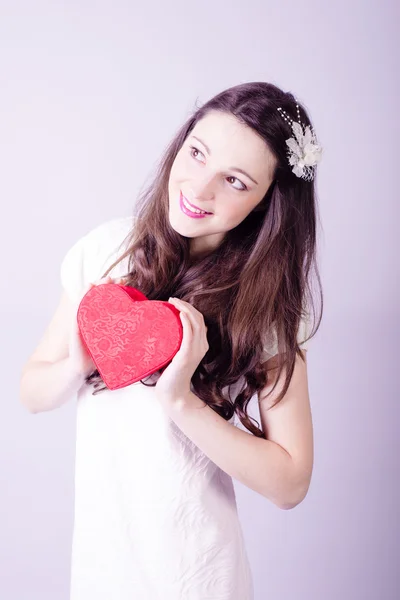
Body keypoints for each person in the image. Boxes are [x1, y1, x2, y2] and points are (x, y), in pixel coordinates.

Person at [20, 81, 323, 600]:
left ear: (267, 202)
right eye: (197, 153)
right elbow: (32, 391)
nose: (199, 188)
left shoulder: (265, 309)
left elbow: (291, 482)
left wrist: (182, 401)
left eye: (234, 180)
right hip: (100, 567)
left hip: (197, 574)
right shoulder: (109, 251)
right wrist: (78, 364)